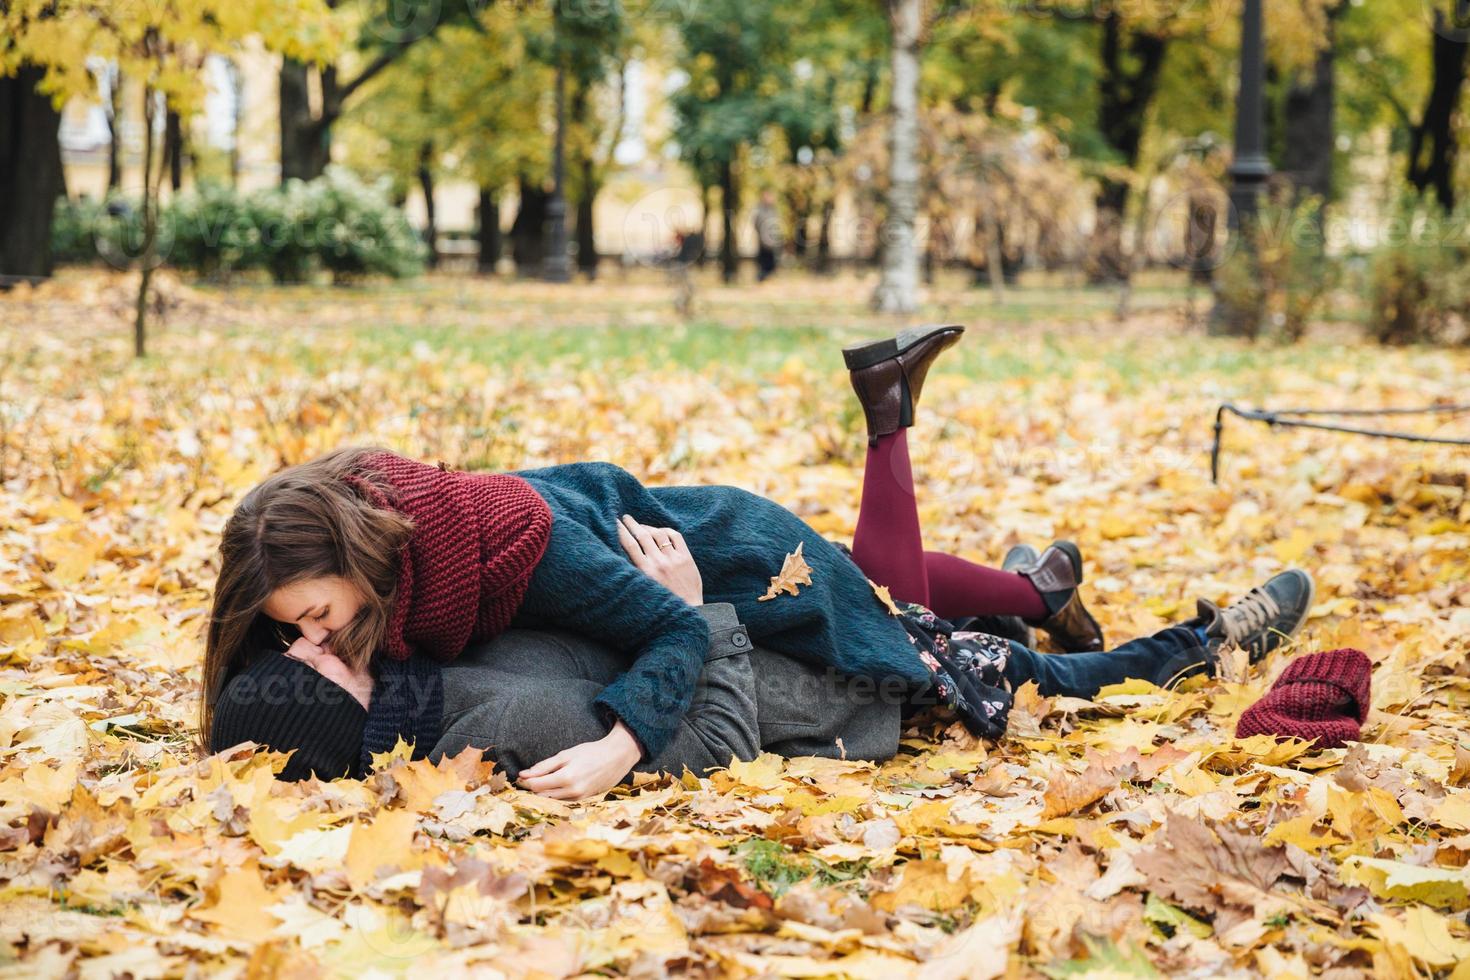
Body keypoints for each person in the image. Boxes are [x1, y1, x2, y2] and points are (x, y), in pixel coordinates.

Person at [203, 325, 1315, 797]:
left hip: (731, 567)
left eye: (311, 614)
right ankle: (1035, 593)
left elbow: (679, 627)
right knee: (920, 616)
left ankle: (1188, 642)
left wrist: (622, 744)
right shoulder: (391, 572)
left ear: (364, 556)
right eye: (298, 635)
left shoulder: (506, 550)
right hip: (692, 579)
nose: (307, 635)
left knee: (924, 651)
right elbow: (287, 679)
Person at [753, 191, 781, 282]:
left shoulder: (773, 210)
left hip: (772, 240)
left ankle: (769, 277)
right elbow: (756, 224)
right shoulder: (759, 210)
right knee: (763, 260)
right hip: (763, 240)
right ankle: (762, 278)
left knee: (772, 261)